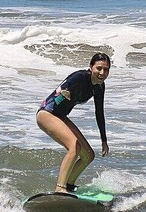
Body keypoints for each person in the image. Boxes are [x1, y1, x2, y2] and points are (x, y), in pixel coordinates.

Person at [36, 53, 111, 193]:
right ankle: (60, 188)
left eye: (106, 69)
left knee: (88, 155)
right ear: (91, 67)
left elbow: (99, 112)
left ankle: (69, 185)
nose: (102, 73)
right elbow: (61, 93)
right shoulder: (80, 77)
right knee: (74, 146)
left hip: (60, 116)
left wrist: (104, 140)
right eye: (99, 68)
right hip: (47, 113)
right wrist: (64, 94)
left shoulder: (99, 87)